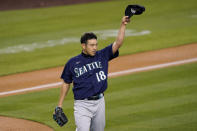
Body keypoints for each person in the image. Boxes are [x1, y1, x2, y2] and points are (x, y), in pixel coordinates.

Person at [56, 16, 130, 131]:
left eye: (96, 44)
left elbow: (118, 43)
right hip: (82, 105)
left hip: (100, 103)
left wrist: (123, 24)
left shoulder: (102, 55)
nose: (95, 48)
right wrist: (59, 105)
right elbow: (66, 82)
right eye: (91, 45)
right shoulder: (72, 62)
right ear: (83, 46)